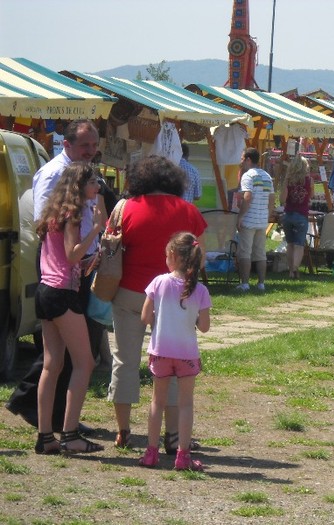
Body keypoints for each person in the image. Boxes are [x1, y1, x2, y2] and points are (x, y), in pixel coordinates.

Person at [6, 119, 104, 435]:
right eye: (85, 145)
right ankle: (62, 425)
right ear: (68, 145)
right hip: (60, 272)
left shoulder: (80, 178)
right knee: (79, 357)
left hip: (66, 270)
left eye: (94, 144)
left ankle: (49, 426)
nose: (92, 151)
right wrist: (91, 240)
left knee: (57, 358)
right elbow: (44, 225)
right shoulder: (55, 177)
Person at [109, 156, 207, 452]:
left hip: (129, 291)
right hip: (175, 297)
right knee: (174, 363)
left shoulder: (124, 207)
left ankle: (124, 431)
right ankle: (173, 435)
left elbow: (108, 245)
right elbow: (203, 249)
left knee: (124, 359)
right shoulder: (188, 210)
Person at [34, 162, 105, 454]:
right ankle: (70, 434)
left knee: (53, 365)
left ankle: (45, 437)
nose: (98, 187)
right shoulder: (73, 215)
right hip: (62, 293)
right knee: (85, 363)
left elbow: (65, 260)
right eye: (93, 182)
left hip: (46, 291)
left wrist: (91, 260)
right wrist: (97, 229)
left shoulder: (54, 212)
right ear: (80, 185)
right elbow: (72, 254)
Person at [139, 232, 211, 470]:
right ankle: (183, 456)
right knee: (185, 404)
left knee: (156, 402)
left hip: (161, 351)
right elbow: (204, 327)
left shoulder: (158, 283)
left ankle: (151, 453)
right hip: (187, 355)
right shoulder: (200, 290)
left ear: (171, 255)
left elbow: (145, 317)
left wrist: (159, 319)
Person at [236, 147, 274, 292]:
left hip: (249, 219)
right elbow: (271, 199)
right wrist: (267, 214)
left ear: (248, 160)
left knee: (244, 252)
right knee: (260, 253)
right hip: (262, 219)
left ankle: (245, 283)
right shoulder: (267, 176)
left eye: (242, 159)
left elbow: (247, 196)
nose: (241, 162)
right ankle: (261, 283)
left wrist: (241, 216)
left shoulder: (248, 176)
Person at [280, 156, 312, 279]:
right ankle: (294, 269)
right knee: (299, 244)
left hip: (288, 215)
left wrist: (286, 184)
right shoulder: (309, 181)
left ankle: (290, 271)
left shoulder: (288, 181)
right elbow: (310, 196)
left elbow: (282, 200)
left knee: (290, 244)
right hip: (302, 215)